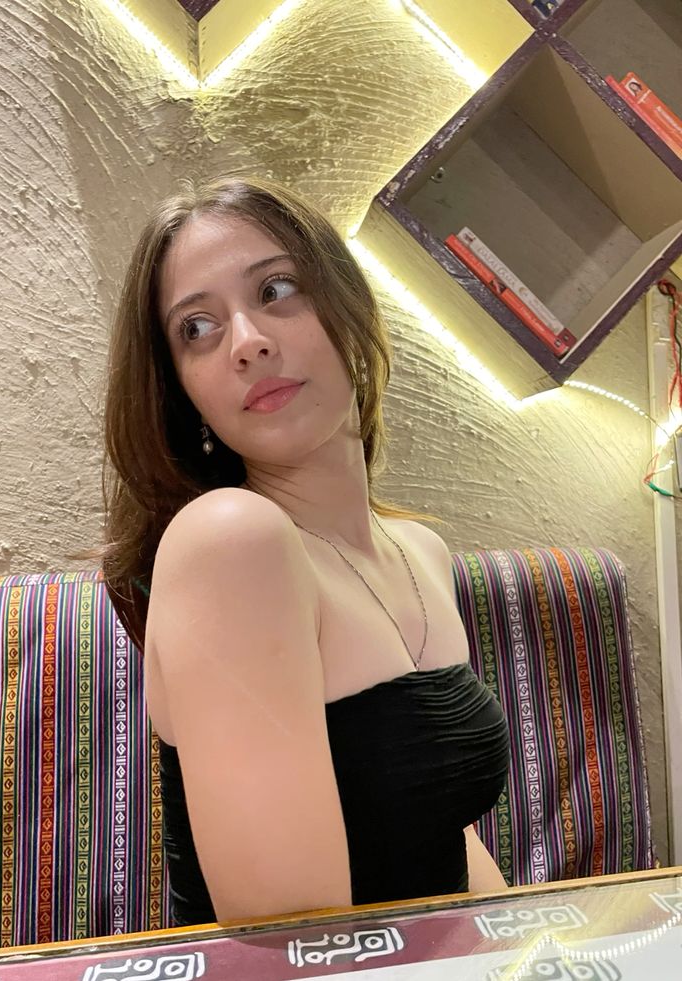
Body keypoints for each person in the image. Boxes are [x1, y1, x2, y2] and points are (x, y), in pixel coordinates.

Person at [100, 175, 510, 927]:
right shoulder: (231, 539)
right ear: (182, 390)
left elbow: (440, 833)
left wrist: (534, 949)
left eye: (277, 289)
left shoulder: (422, 550)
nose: (248, 342)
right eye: (197, 328)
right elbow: (298, 941)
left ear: (348, 305)